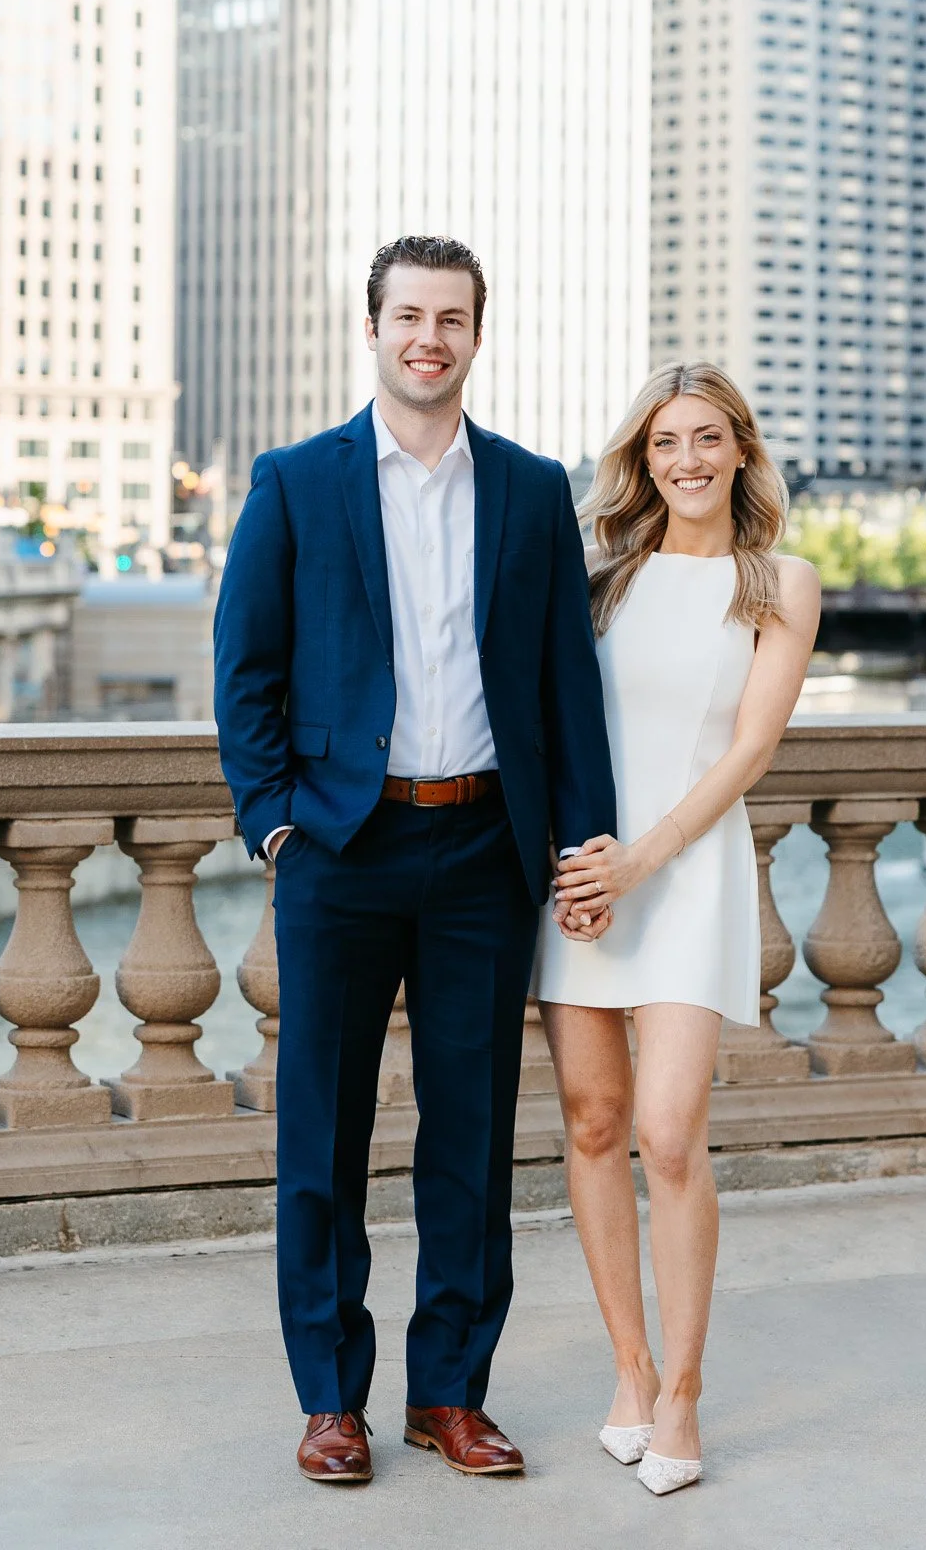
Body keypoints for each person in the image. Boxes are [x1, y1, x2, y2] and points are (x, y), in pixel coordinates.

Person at [213, 235, 616, 1488]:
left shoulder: (532, 490)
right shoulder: (296, 481)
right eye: (408, 315)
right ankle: (330, 1398)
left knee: (472, 1138)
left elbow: (565, 685)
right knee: (321, 1137)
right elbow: (246, 669)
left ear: (476, 336)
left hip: (487, 850)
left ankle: (451, 1391)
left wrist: (582, 845)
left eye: (451, 318)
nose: (428, 337)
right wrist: (276, 821)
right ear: (374, 328)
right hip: (343, 847)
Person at [531, 361, 820, 1497]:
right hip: (585, 875)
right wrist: (580, 864)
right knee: (593, 1123)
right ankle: (632, 1368)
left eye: (706, 438)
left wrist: (641, 859)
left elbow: (750, 748)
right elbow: (553, 726)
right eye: (664, 443)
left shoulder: (779, 584)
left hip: (686, 873)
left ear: (740, 449)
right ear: (640, 460)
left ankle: (687, 1388)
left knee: (666, 1131)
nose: (686, 460)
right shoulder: (600, 579)